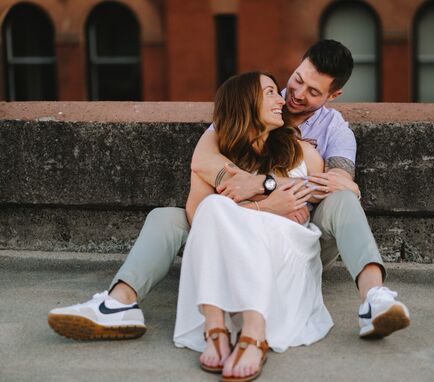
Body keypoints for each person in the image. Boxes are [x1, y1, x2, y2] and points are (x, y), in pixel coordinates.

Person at [48, 39, 409, 342]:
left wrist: (279, 187)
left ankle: (373, 297)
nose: (295, 95)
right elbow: (204, 158)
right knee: (165, 219)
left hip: (297, 230)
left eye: (313, 91)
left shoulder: (335, 131)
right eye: (296, 80)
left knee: (343, 200)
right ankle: (119, 304)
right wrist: (259, 193)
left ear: (334, 94)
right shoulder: (256, 98)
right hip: (232, 219)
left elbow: (339, 183)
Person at [174, 71, 332, 381]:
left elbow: (302, 212)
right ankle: (216, 327)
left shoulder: (306, 155)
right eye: (271, 92)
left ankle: (254, 329)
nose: (281, 99)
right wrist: (265, 206)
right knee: (213, 206)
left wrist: (253, 203)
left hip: (286, 250)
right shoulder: (216, 156)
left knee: (219, 206)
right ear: (245, 103)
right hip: (235, 253)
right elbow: (198, 215)